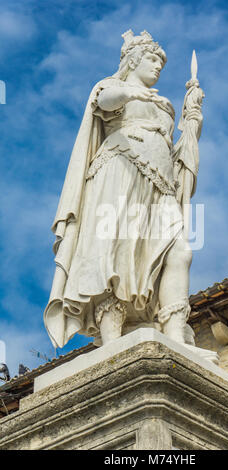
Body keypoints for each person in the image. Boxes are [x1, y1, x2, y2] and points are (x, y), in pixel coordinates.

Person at [44, 30, 203, 349]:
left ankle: (175, 336)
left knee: (180, 252)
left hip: (160, 185)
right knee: (115, 252)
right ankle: (112, 340)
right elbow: (103, 102)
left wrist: (192, 120)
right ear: (132, 60)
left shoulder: (163, 104)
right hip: (120, 172)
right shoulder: (112, 86)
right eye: (152, 59)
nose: (158, 66)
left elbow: (176, 156)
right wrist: (131, 95)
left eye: (161, 62)